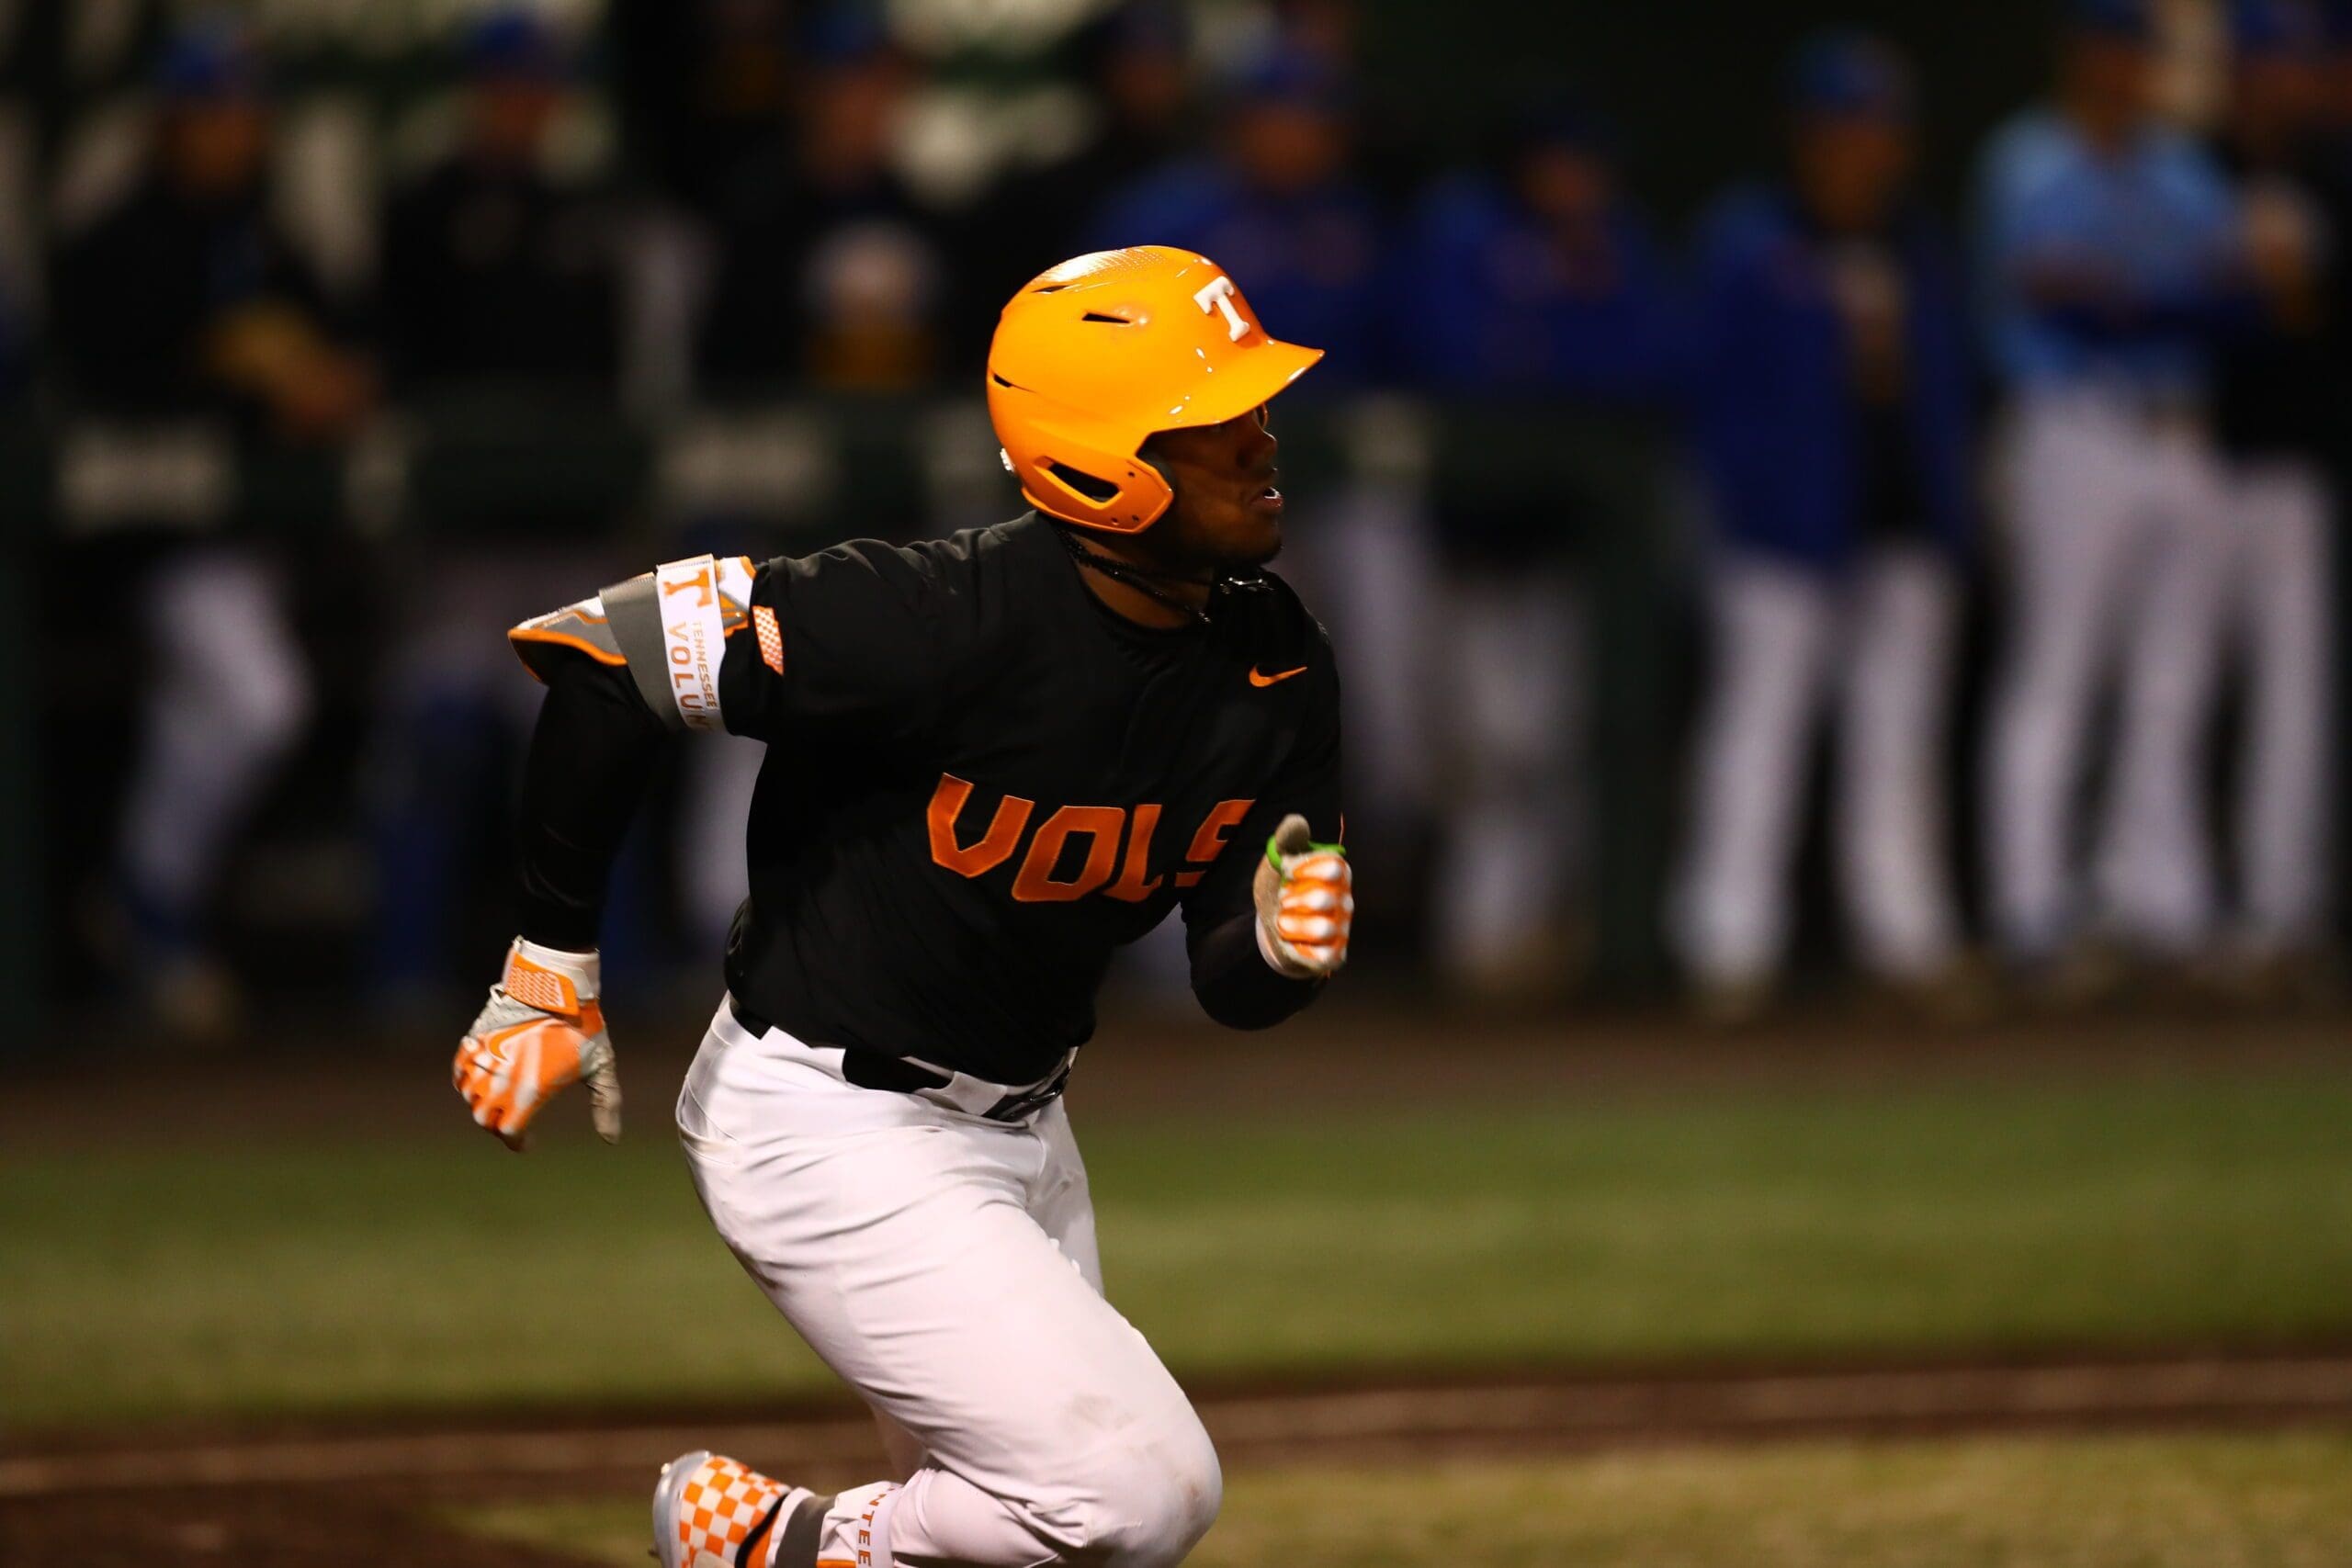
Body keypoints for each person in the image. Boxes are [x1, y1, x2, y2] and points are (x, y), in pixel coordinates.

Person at [451, 247, 1351, 1568]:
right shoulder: (936, 613)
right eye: (1218, 420)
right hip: (830, 1121)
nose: (1264, 441)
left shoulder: (1272, 658)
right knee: (1132, 1493)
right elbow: (607, 651)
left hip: (1026, 1126)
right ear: (1103, 459)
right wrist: (545, 965)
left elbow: (1230, 977)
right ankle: (788, 1545)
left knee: (1031, 1539)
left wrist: (1275, 947)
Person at [51, 19, 371, 1039]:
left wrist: (328, 380)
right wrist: (232, 378)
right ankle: (151, 902)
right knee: (254, 697)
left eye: (244, 112)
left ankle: (150, 909)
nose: (230, 132)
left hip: (278, 539)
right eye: (210, 112)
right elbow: (102, 383)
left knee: (234, 704)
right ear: (171, 120)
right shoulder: (120, 235)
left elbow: (349, 342)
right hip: (151, 543)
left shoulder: (268, 231)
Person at [1670, 34, 1974, 1018]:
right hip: (1780, 534)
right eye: (1844, 126)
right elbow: (1704, 392)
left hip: (1899, 523)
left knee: (1898, 745)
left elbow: (1945, 393)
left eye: (1877, 126)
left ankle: (1905, 939)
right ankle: (1728, 946)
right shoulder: (1752, 243)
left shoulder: (1915, 243)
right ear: (1805, 136)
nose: (1862, 146)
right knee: (1756, 737)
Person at [1976, 0, 2243, 987]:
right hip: (2071, 424)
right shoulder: (2026, 160)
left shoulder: (2182, 168)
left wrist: (2139, 290)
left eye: (2140, 55)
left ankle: (2158, 903)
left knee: (2174, 680)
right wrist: (2160, 290)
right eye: (2113, 51)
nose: (2127, 70)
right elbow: (2050, 287)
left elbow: (2233, 297)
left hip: (2178, 427)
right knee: (2057, 668)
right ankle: (2031, 909)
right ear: (2079, 57)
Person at [1399, 103, 1684, 998]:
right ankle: (1477, 936)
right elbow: (1456, 359)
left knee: (1554, 741)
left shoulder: (1615, 240)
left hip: (1574, 546)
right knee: (1486, 745)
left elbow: (1655, 359)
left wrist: (1552, 339)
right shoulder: (1464, 227)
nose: (1574, 181)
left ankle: (1522, 935)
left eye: (1587, 163)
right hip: (1470, 539)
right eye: (1559, 162)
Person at [2207, 0, 2338, 987]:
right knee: (2174, 692)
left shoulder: (2330, 174)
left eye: (2292, 63)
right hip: (2194, 455)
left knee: (2294, 697)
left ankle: (2276, 907)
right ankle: (2161, 907)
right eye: (2264, 62)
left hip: (2295, 466)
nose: (2279, 81)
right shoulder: (2190, 170)